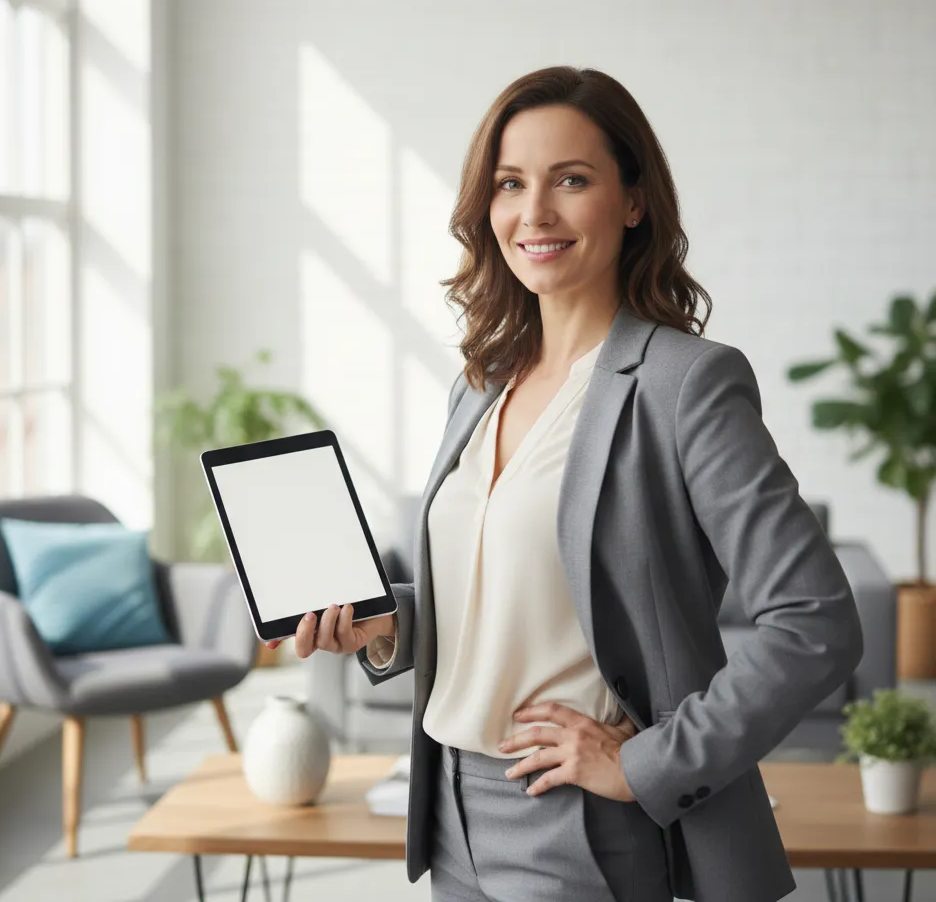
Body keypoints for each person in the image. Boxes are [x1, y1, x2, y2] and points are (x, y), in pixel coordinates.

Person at [264, 66, 863, 902]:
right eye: (510, 184)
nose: (534, 213)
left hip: (576, 822)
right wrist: (383, 625)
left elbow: (817, 621)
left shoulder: (686, 384)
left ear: (633, 200)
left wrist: (645, 763)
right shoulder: (481, 384)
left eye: (570, 180)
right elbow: (505, 598)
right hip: (447, 812)